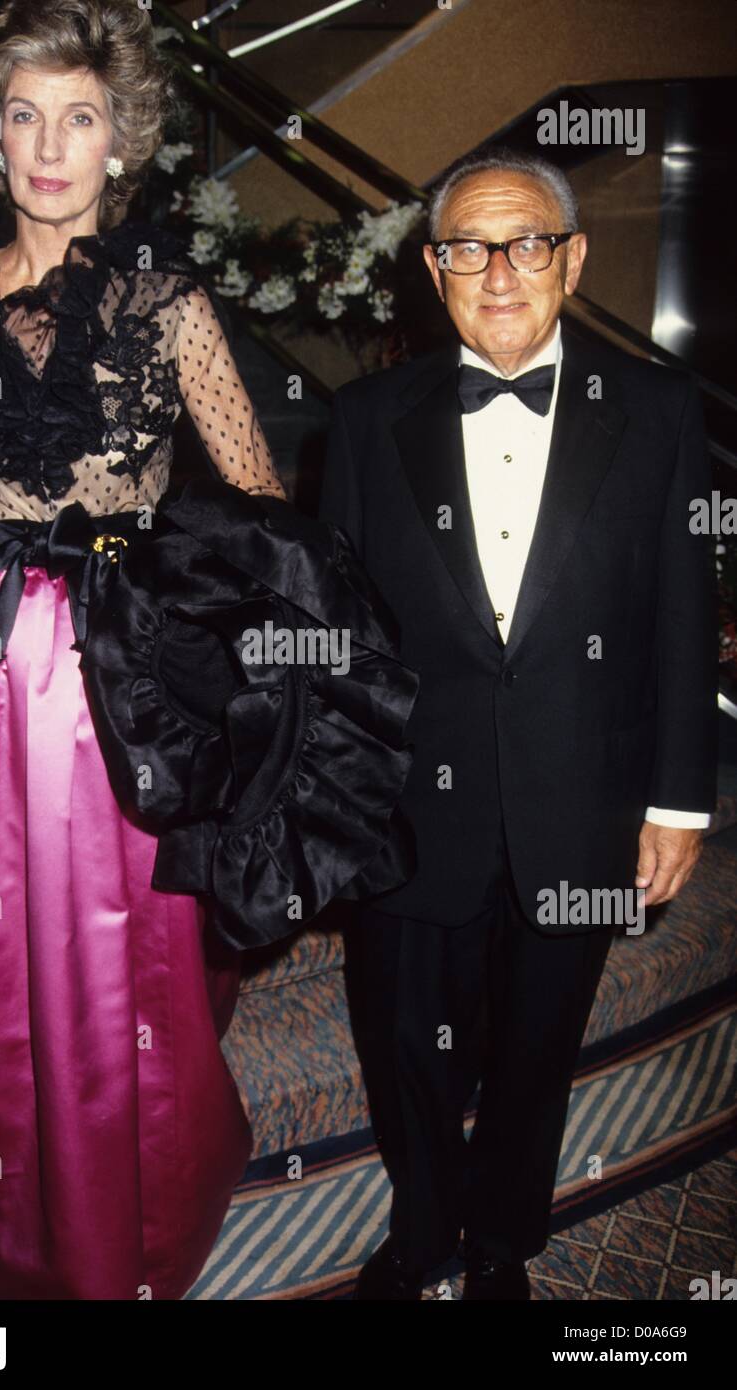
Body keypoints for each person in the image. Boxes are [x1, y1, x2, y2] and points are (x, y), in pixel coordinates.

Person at [0, 0, 291, 1301]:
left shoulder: (166, 304)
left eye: (82, 116)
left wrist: (217, 653)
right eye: (27, 115)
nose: (52, 144)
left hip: (113, 670)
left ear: (121, 139)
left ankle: (123, 1217)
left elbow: (259, 495)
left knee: (114, 955)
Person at [318, 146, 719, 1300]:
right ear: (433, 271)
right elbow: (336, 632)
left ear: (574, 257)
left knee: (540, 1043)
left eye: (528, 243)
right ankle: (424, 1226)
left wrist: (680, 799)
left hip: (582, 799)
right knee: (402, 1044)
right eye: (467, 250)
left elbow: (684, 613)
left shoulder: (657, 410)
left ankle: (503, 1244)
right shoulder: (361, 418)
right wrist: (337, 801)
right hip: (406, 806)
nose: (499, 274)